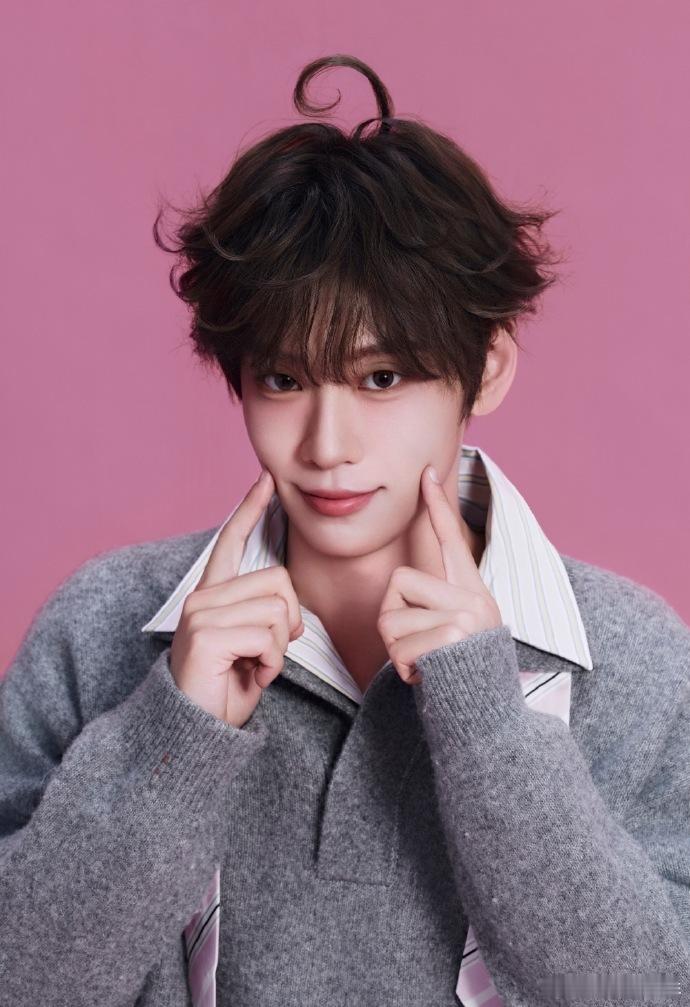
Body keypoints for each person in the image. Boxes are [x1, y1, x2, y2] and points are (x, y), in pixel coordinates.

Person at [1, 54, 687, 1007]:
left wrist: (489, 723)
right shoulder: (103, 626)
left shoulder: (632, 656)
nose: (328, 446)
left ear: (488, 367)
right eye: (284, 379)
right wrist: (173, 737)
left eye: (381, 378)